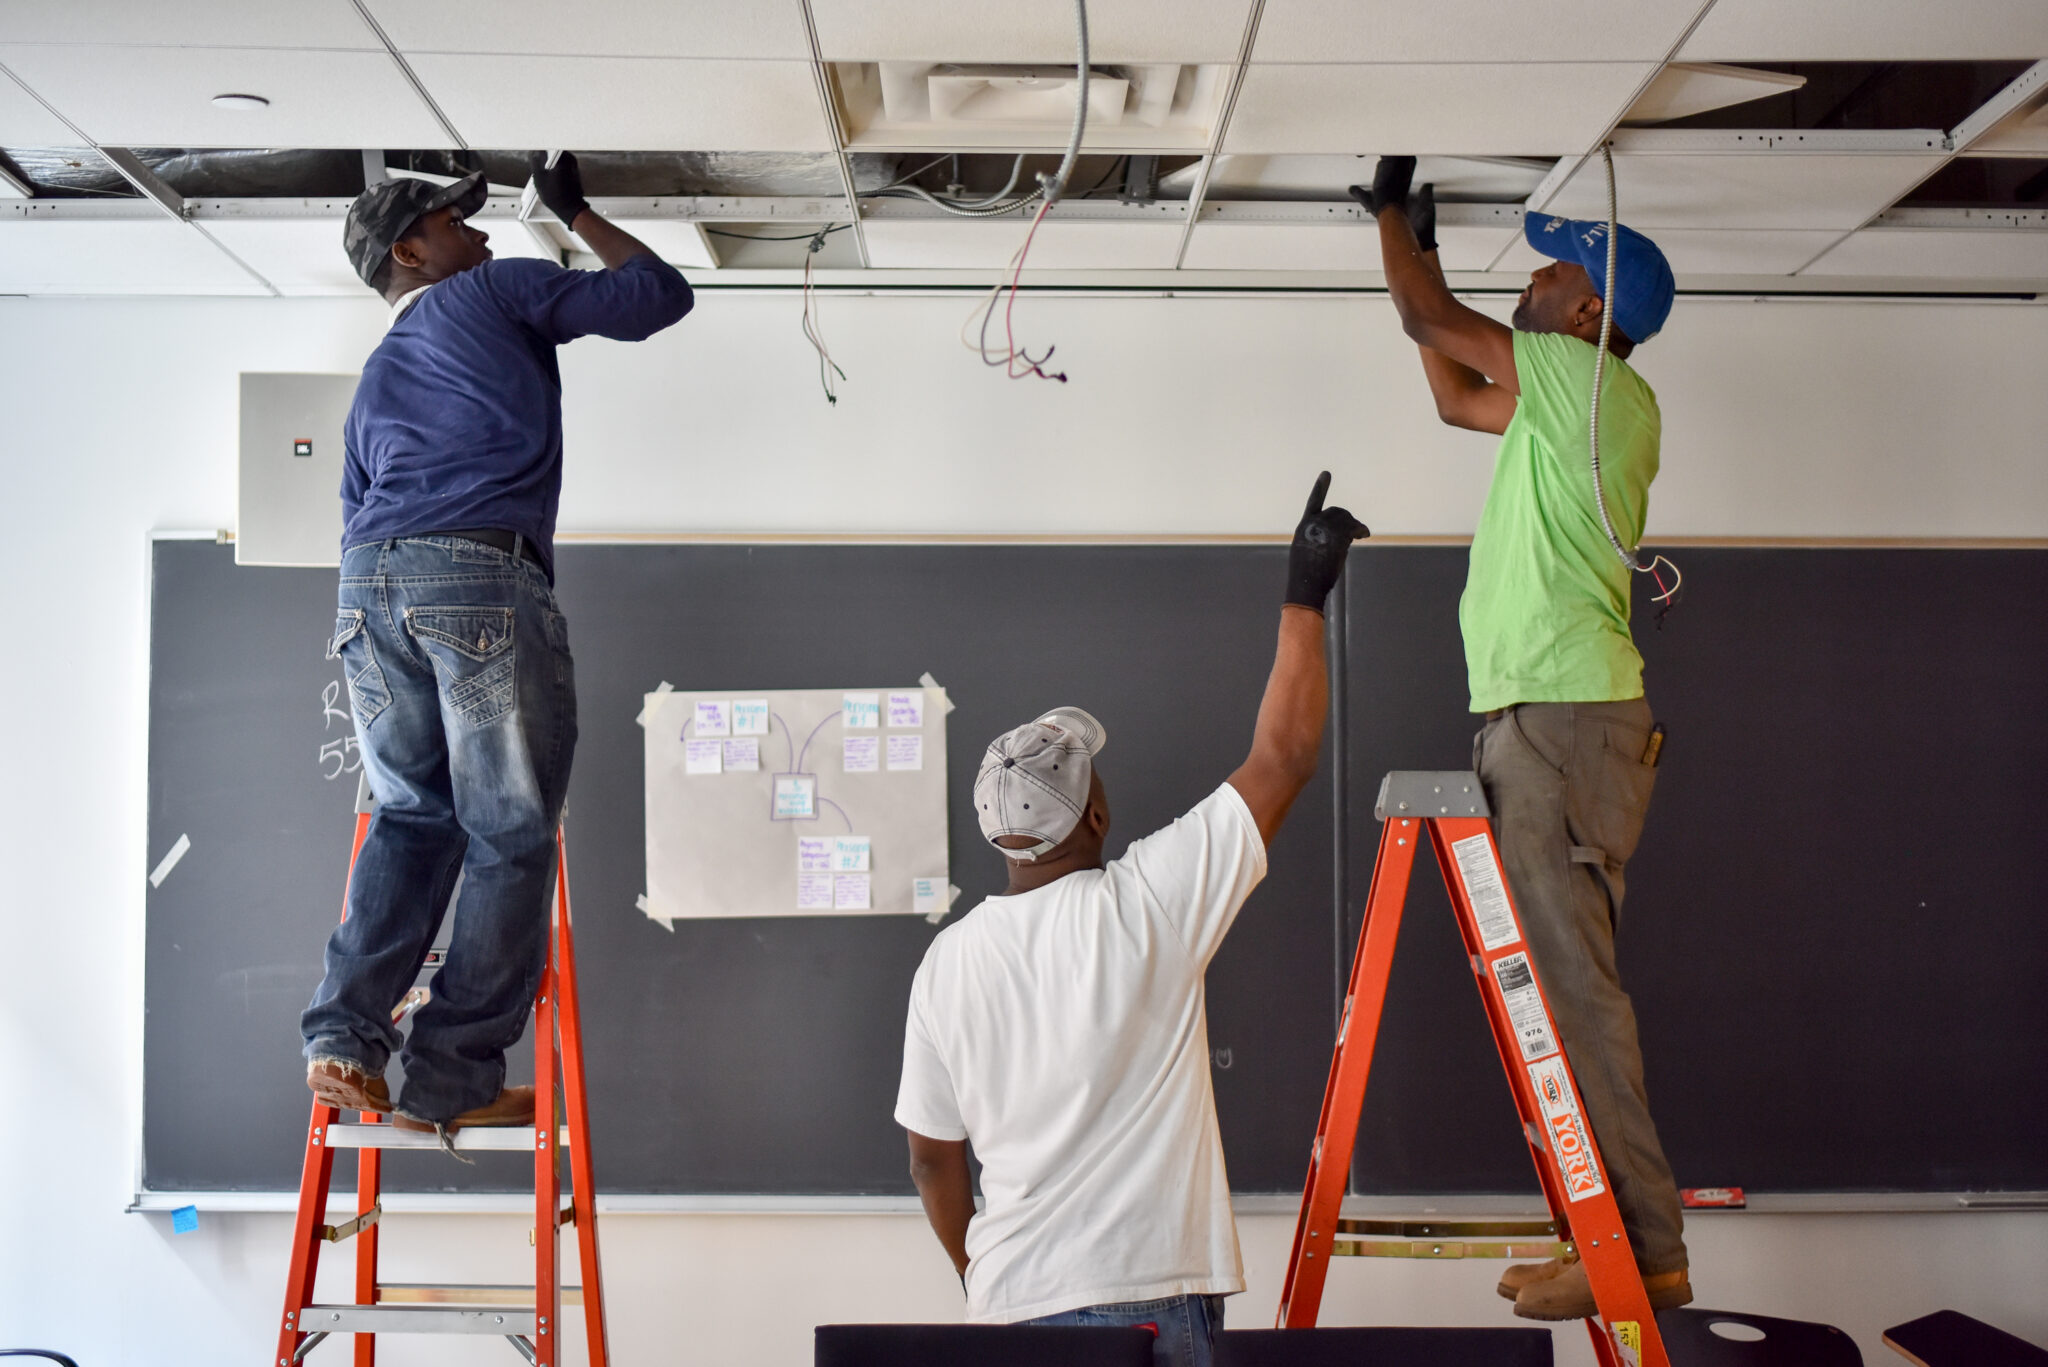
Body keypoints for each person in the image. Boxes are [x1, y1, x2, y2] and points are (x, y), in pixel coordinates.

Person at [895, 475, 1367, 1366]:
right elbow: (1284, 756)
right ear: (1097, 816)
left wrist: (984, 1275)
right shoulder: (1149, 901)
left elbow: (931, 1158)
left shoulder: (945, 963)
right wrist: (1305, 592)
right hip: (1148, 1299)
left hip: (1007, 1306)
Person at [1350, 155, 1691, 1320]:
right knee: (1556, 990)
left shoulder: (1591, 387)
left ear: (1588, 313)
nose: (1532, 281)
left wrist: (1391, 221)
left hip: (1561, 718)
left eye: (1551, 273)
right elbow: (1453, 394)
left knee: (1574, 996)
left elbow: (1424, 317)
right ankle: (1604, 1239)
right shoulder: (1566, 404)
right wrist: (1422, 252)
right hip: (1543, 718)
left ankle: (1642, 1252)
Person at [301, 154, 694, 1141]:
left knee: (408, 818)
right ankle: (451, 1075)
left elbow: (354, 514)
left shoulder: (374, 381)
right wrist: (577, 213)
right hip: (474, 575)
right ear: (409, 250)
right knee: (508, 829)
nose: (478, 233)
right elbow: (656, 296)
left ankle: (343, 1038)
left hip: (367, 590)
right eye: (453, 221)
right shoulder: (490, 290)